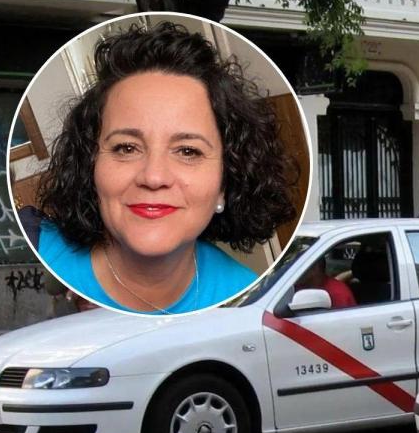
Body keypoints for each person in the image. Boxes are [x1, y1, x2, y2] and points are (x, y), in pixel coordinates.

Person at [30, 22, 295, 315]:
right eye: (126, 148)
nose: (154, 177)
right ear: (90, 165)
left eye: (187, 151)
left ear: (224, 183)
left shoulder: (247, 298)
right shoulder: (35, 245)